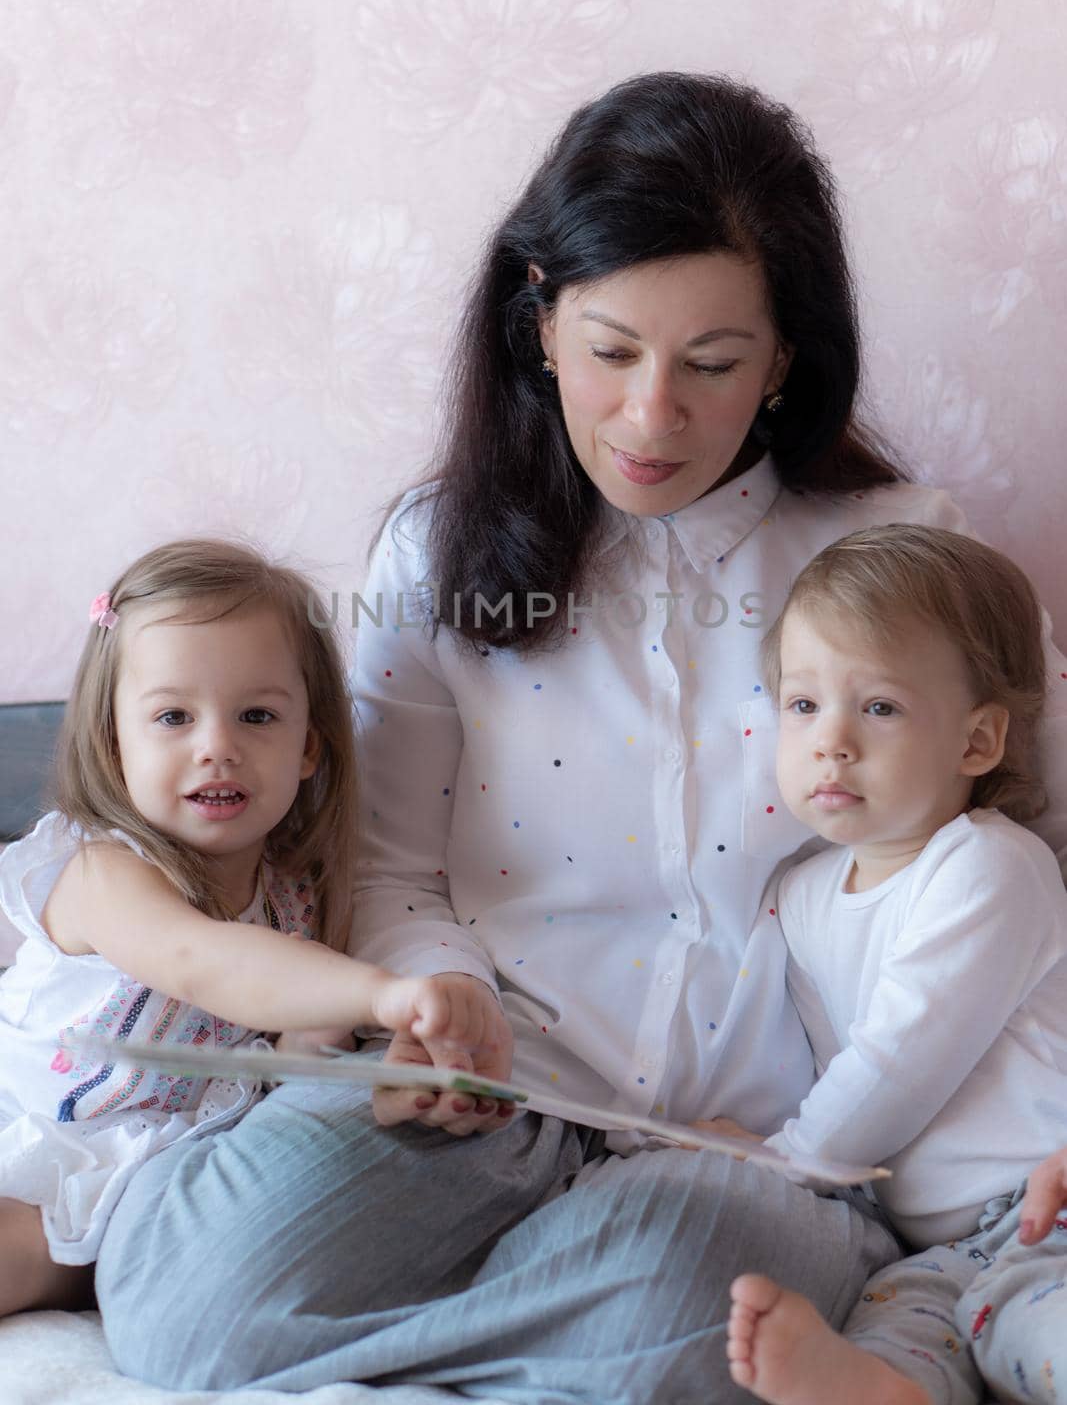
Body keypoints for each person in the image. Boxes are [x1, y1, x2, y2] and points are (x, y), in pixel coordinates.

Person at [95, 74, 1067, 1403]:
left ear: (784, 356)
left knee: (696, 1300)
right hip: (481, 1100)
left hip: (746, 1149)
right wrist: (445, 1012)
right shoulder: (434, 551)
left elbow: (1038, 838)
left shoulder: (901, 544)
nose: (650, 415)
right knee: (181, 1297)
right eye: (610, 352)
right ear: (538, 321)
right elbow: (389, 873)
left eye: (712, 365)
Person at [0, 539, 498, 1319]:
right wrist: (383, 995)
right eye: (172, 716)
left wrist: (384, 1083)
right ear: (112, 741)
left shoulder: (296, 896)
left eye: (257, 715)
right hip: (46, 1150)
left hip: (173, 1176)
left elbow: (291, 1061)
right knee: (20, 1248)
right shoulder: (102, 873)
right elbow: (204, 962)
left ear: (307, 747)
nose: (218, 747)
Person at [722, 525, 1067, 1405]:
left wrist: (786, 1159)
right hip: (935, 1246)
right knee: (896, 1319)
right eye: (802, 706)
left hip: (1043, 1206)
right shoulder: (799, 896)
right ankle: (884, 1390)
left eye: (878, 708)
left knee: (1037, 1319)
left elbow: (895, 1061)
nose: (830, 741)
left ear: (976, 743)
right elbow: (826, 1064)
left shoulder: (987, 866)